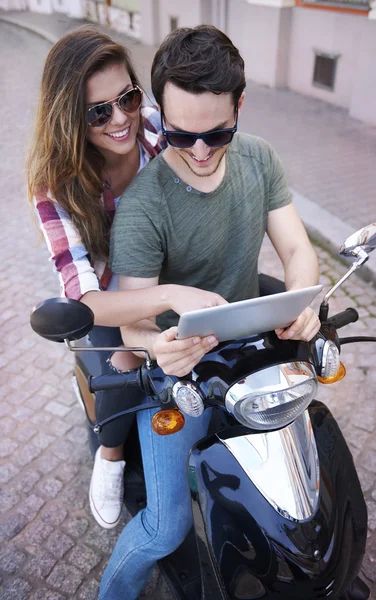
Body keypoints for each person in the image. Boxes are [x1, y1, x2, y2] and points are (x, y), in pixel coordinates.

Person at [99, 24, 320, 599]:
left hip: (249, 356)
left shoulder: (260, 159)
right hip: (176, 376)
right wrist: (155, 345)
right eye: (178, 134)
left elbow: (297, 249)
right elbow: (132, 321)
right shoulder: (144, 205)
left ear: (240, 105)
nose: (199, 151)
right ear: (159, 113)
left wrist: (306, 298)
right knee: (165, 527)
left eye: (217, 133)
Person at [27, 26, 226, 531]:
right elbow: (85, 298)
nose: (122, 119)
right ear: (71, 119)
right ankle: (111, 455)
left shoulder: (159, 128)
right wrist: (169, 295)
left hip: (165, 268)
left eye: (128, 98)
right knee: (121, 366)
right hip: (107, 294)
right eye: (99, 112)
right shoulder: (54, 185)